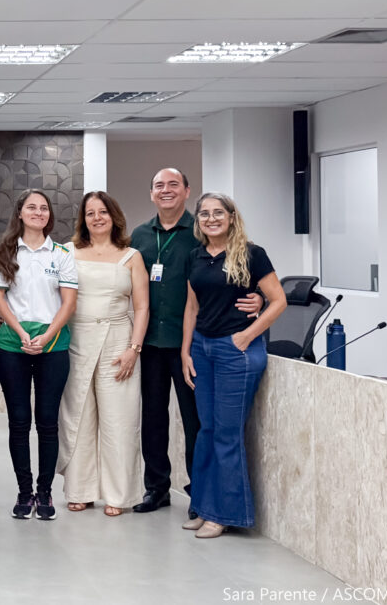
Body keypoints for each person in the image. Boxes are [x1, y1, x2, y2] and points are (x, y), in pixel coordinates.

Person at [129, 169, 262, 517]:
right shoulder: (140, 236)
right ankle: (156, 488)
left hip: (192, 344)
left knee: (196, 422)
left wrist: (258, 298)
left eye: (174, 185)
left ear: (187, 191)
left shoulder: (200, 233)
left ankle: (198, 493)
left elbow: (237, 272)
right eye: (159, 185)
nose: (166, 190)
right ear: (151, 193)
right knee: (153, 418)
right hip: (151, 342)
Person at [181, 193, 286, 539]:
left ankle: (224, 514)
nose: (211, 219)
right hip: (202, 349)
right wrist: (185, 351)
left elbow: (278, 300)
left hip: (235, 353)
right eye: (204, 214)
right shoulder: (195, 256)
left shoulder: (252, 254)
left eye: (218, 213)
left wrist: (246, 336)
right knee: (206, 431)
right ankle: (202, 506)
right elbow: (192, 308)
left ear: (230, 216)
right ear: (198, 220)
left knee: (226, 435)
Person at [0, 189, 78, 521]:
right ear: (20, 213)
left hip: (53, 346)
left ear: (49, 215)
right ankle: (24, 493)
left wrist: (46, 335)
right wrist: (23, 334)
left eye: (43, 208)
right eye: (31, 207)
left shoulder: (62, 253)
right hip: (13, 345)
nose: (38, 212)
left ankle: (45, 493)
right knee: (19, 421)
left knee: (48, 422)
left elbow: (68, 302)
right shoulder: (4, 251)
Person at [58, 191, 148, 517]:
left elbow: (141, 306)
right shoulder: (67, 252)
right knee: (78, 416)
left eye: (103, 212)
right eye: (90, 213)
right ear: (83, 218)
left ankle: (118, 494)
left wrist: (133, 349)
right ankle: (80, 490)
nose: (97, 218)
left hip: (117, 341)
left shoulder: (131, 256)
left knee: (118, 420)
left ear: (114, 216)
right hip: (76, 339)